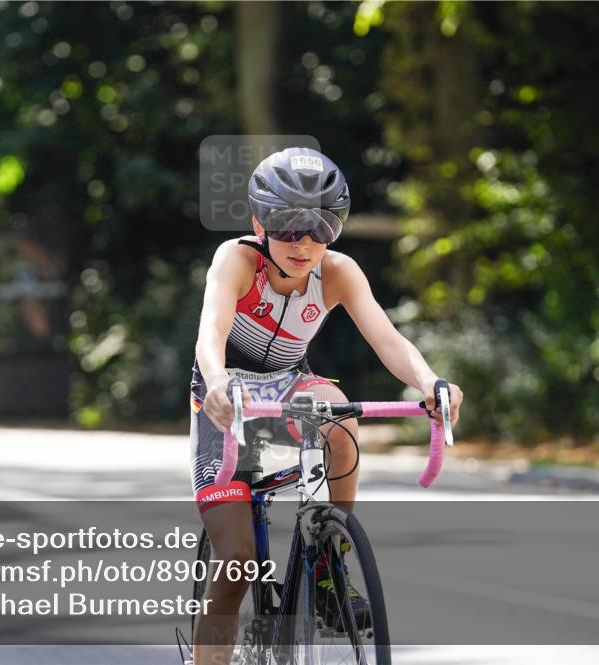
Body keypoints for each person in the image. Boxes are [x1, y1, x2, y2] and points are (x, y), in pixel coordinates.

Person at [190, 147, 463, 663]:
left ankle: (327, 566)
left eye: (321, 227)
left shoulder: (339, 271)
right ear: (259, 223)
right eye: (288, 226)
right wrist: (218, 383)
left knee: (337, 410)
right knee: (236, 562)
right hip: (226, 395)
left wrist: (429, 382)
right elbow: (212, 331)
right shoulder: (237, 259)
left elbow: (388, 340)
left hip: (289, 385)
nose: (304, 242)